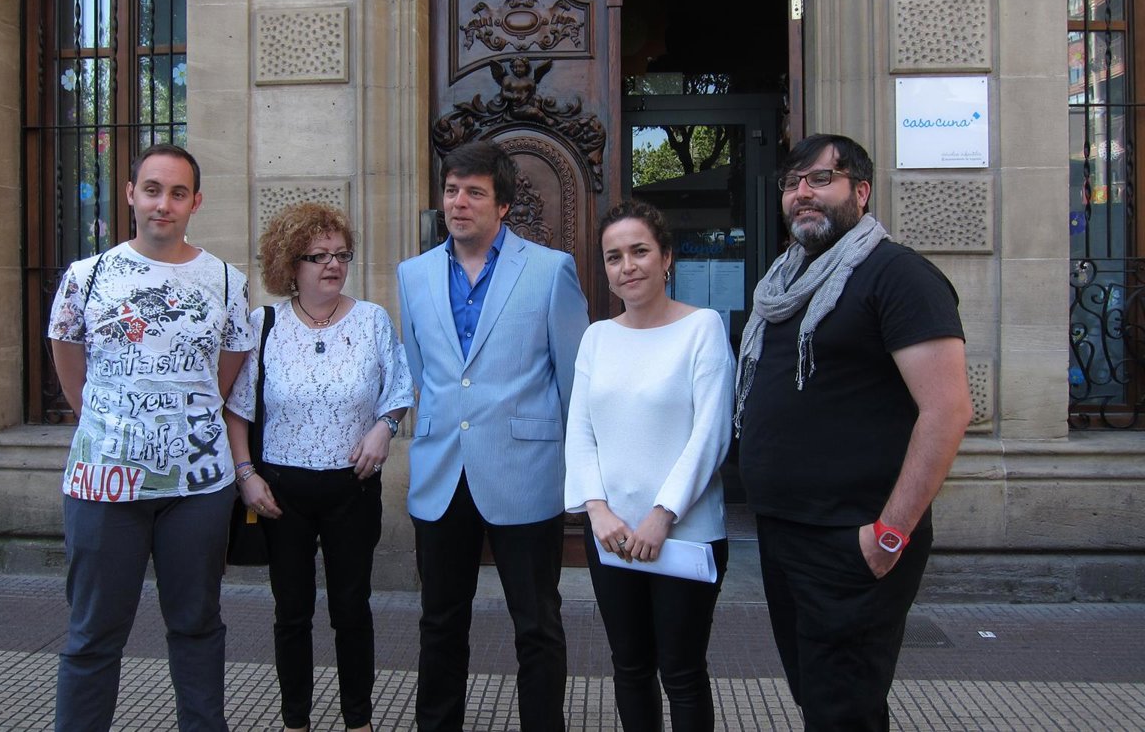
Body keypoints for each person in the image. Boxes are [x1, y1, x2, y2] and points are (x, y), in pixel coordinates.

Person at [734, 134, 973, 731]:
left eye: (821, 179)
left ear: (861, 192)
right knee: (821, 698)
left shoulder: (899, 275)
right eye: (792, 183)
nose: (802, 193)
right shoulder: (782, 285)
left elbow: (947, 411)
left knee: (843, 707)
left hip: (853, 537)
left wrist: (890, 533)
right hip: (786, 531)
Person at [48, 143, 252, 732]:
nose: (164, 204)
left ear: (196, 202)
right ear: (131, 194)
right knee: (93, 635)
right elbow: (70, 363)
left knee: (197, 626)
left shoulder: (226, 281)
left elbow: (224, 374)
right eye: (153, 190)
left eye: (178, 193)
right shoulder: (86, 277)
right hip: (103, 484)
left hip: (197, 488)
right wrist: (110, 423)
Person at [396, 140, 589, 732]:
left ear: (502, 204)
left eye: (474, 193)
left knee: (536, 623)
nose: (459, 202)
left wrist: (578, 471)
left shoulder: (550, 269)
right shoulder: (413, 275)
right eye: (452, 190)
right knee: (439, 622)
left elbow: (573, 376)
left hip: (525, 471)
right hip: (441, 473)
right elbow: (421, 369)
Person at [225, 202, 414, 732]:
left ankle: (359, 720)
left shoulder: (372, 320)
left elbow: (400, 391)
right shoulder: (264, 325)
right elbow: (237, 411)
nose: (333, 264)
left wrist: (384, 427)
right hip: (280, 494)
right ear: (290, 263)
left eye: (341, 254)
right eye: (318, 256)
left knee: (352, 608)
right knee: (292, 612)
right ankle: (295, 721)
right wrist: (246, 476)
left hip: (353, 489)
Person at [565, 200, 734, 731]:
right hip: (612, 535)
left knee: (681, 673)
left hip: (684, 533)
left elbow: (710, 435)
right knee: (630, 666)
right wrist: (596, 510)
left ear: (667, 257)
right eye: (614, 256)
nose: (627, 266)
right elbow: (580, 430)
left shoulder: (703, 328)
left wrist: (663, 515)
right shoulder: (597, 337)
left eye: (639, 251)